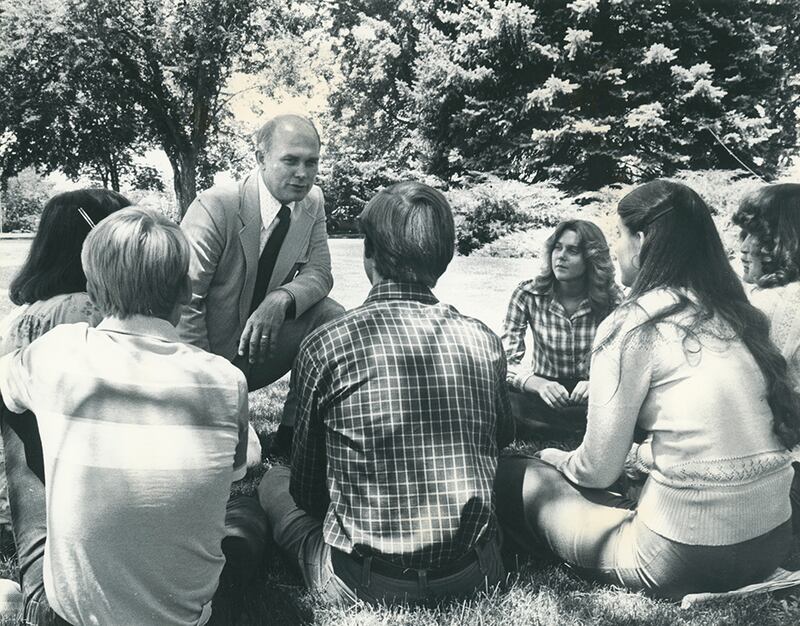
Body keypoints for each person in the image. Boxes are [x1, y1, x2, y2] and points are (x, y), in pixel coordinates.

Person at [496, 180, 800, 599]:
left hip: (681, 554)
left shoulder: (634, 323)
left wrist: (556, 461)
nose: (616, 249)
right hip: (771, 542)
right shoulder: (739, 314)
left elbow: (597, 470)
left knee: (516, 475)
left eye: (620, 235)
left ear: (642, 241)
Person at [0, 208, 261, 625]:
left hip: (69, 614)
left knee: (12, 397)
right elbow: (238, 471)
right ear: (185, 290)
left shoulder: (56, 353)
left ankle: (34, 575)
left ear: (93, 294)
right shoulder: (225, 379)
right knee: (246, 512)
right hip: (188, 616)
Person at [258, 182, 514, 605]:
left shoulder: (328, 342)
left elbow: (307, 491)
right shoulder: (482, 339)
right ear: (444, 258)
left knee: (273, 481)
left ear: (369, 253)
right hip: (473, 572)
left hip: (360, 580)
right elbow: (499, 443)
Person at [178, 114, 344, 456]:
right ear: (260, 158)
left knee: (331, 316)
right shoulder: (216, 205)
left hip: (261, 347)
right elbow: (186, 301)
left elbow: (320, 272)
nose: (303, 173)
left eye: (311, 162)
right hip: (205, 355)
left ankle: (293, 432)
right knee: (239, 460)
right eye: (290, 160)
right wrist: (211, 386)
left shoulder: (313, 202)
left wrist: (280, 299)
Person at [501, 219, 621, 437]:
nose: (561, 256)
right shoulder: (527, 294)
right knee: (502, 397)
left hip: (594, 395)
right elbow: (505, 360)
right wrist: (535, 383)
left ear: (591, 258)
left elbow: (626, 360)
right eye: (557, 247)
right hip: (542, 394)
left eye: (573, 250)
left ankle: (555, 429)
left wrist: (595, 382)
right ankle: (577, 429)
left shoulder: (613, 300)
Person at [733, 183, 800, 390]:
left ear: (784, 240)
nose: (743, 248)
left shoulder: (774, 303)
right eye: (744, 234)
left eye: (757, 235)